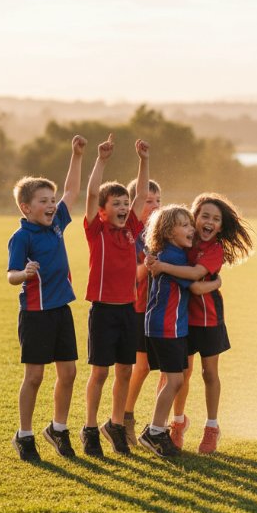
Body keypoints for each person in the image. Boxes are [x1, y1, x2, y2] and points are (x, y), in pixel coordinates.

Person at [146, 193, 254, 453]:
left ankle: (211, 428)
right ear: (193, 218)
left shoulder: (215, 250)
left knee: (209, 373)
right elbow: (160, 239)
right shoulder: (184, 241)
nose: (209, 222)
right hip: (181, 320)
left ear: (220, 225)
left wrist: (214, 283)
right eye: (204, 216)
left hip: (208, 319)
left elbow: (195, 284)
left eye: (216, 219)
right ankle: (177, 423)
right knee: (180, 374)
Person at [7, 135, 86, 461]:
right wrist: (24, 274)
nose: (52, 204)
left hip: (60, 311)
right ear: (27, 207)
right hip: (36, 314)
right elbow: (11, 276)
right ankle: (24, 435)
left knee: (68, 373)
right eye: (44, 200)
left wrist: (76, 155)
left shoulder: (55, 226)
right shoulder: (21, 237)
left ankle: (58, 428)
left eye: (52, 200)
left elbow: (71, 191)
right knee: (35, 376)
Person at [80, 135, 150, 456]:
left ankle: (116, 425)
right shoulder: (97, 230)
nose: (124, 208)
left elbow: (140, 195)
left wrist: (143, 160)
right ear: (103, 211)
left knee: (125, 370)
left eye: (126, 204)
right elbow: (93, 192)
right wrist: (102, 160)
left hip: (128, 312)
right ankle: (91, 428)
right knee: (101, 372)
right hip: (103, 311)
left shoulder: (132, 229)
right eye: (117, 205)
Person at [139, 205, 220, 457]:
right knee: (175, 380)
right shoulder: (174, 258)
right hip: (167, 328)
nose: (191, 229)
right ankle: (154, 431)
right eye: (184, 225)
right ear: (167, 231)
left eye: (189, 223)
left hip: (164, 327)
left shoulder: (166, 254)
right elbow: (195, 286)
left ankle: (158, 429)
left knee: (172, 378)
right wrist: (216, 282)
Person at [122, 178, 162, 445]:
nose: (155, 205)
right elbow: (131, 275)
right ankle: (125, 418)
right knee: (141, 366)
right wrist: (149, 265)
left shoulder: (162, 231)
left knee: (173, 370)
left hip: (160, 307)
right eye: (148, 201)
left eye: (158, 200)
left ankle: (163, 425)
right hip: (137, 308)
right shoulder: (131, 235)